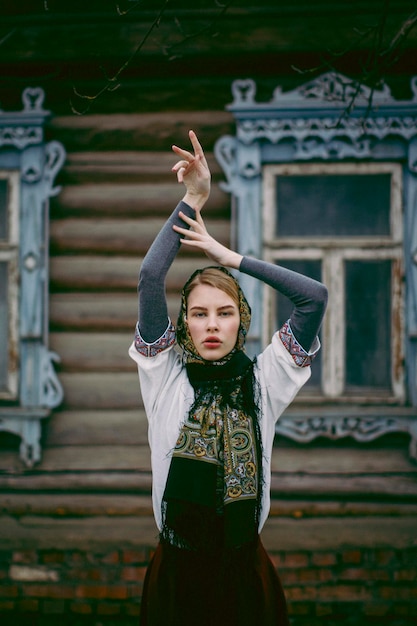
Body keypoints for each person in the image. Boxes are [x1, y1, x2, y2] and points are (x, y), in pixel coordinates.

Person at [129, 130, 328, 626]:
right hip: (176, 570)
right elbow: (152, 278)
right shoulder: (164, 376)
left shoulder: (266, 379)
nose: (212, 325)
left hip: (245, 570)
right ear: (183, 325)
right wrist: (193, 199)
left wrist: (229, 258)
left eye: (224, 313)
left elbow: (314, 297)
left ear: (241, 321)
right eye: (199, 314)